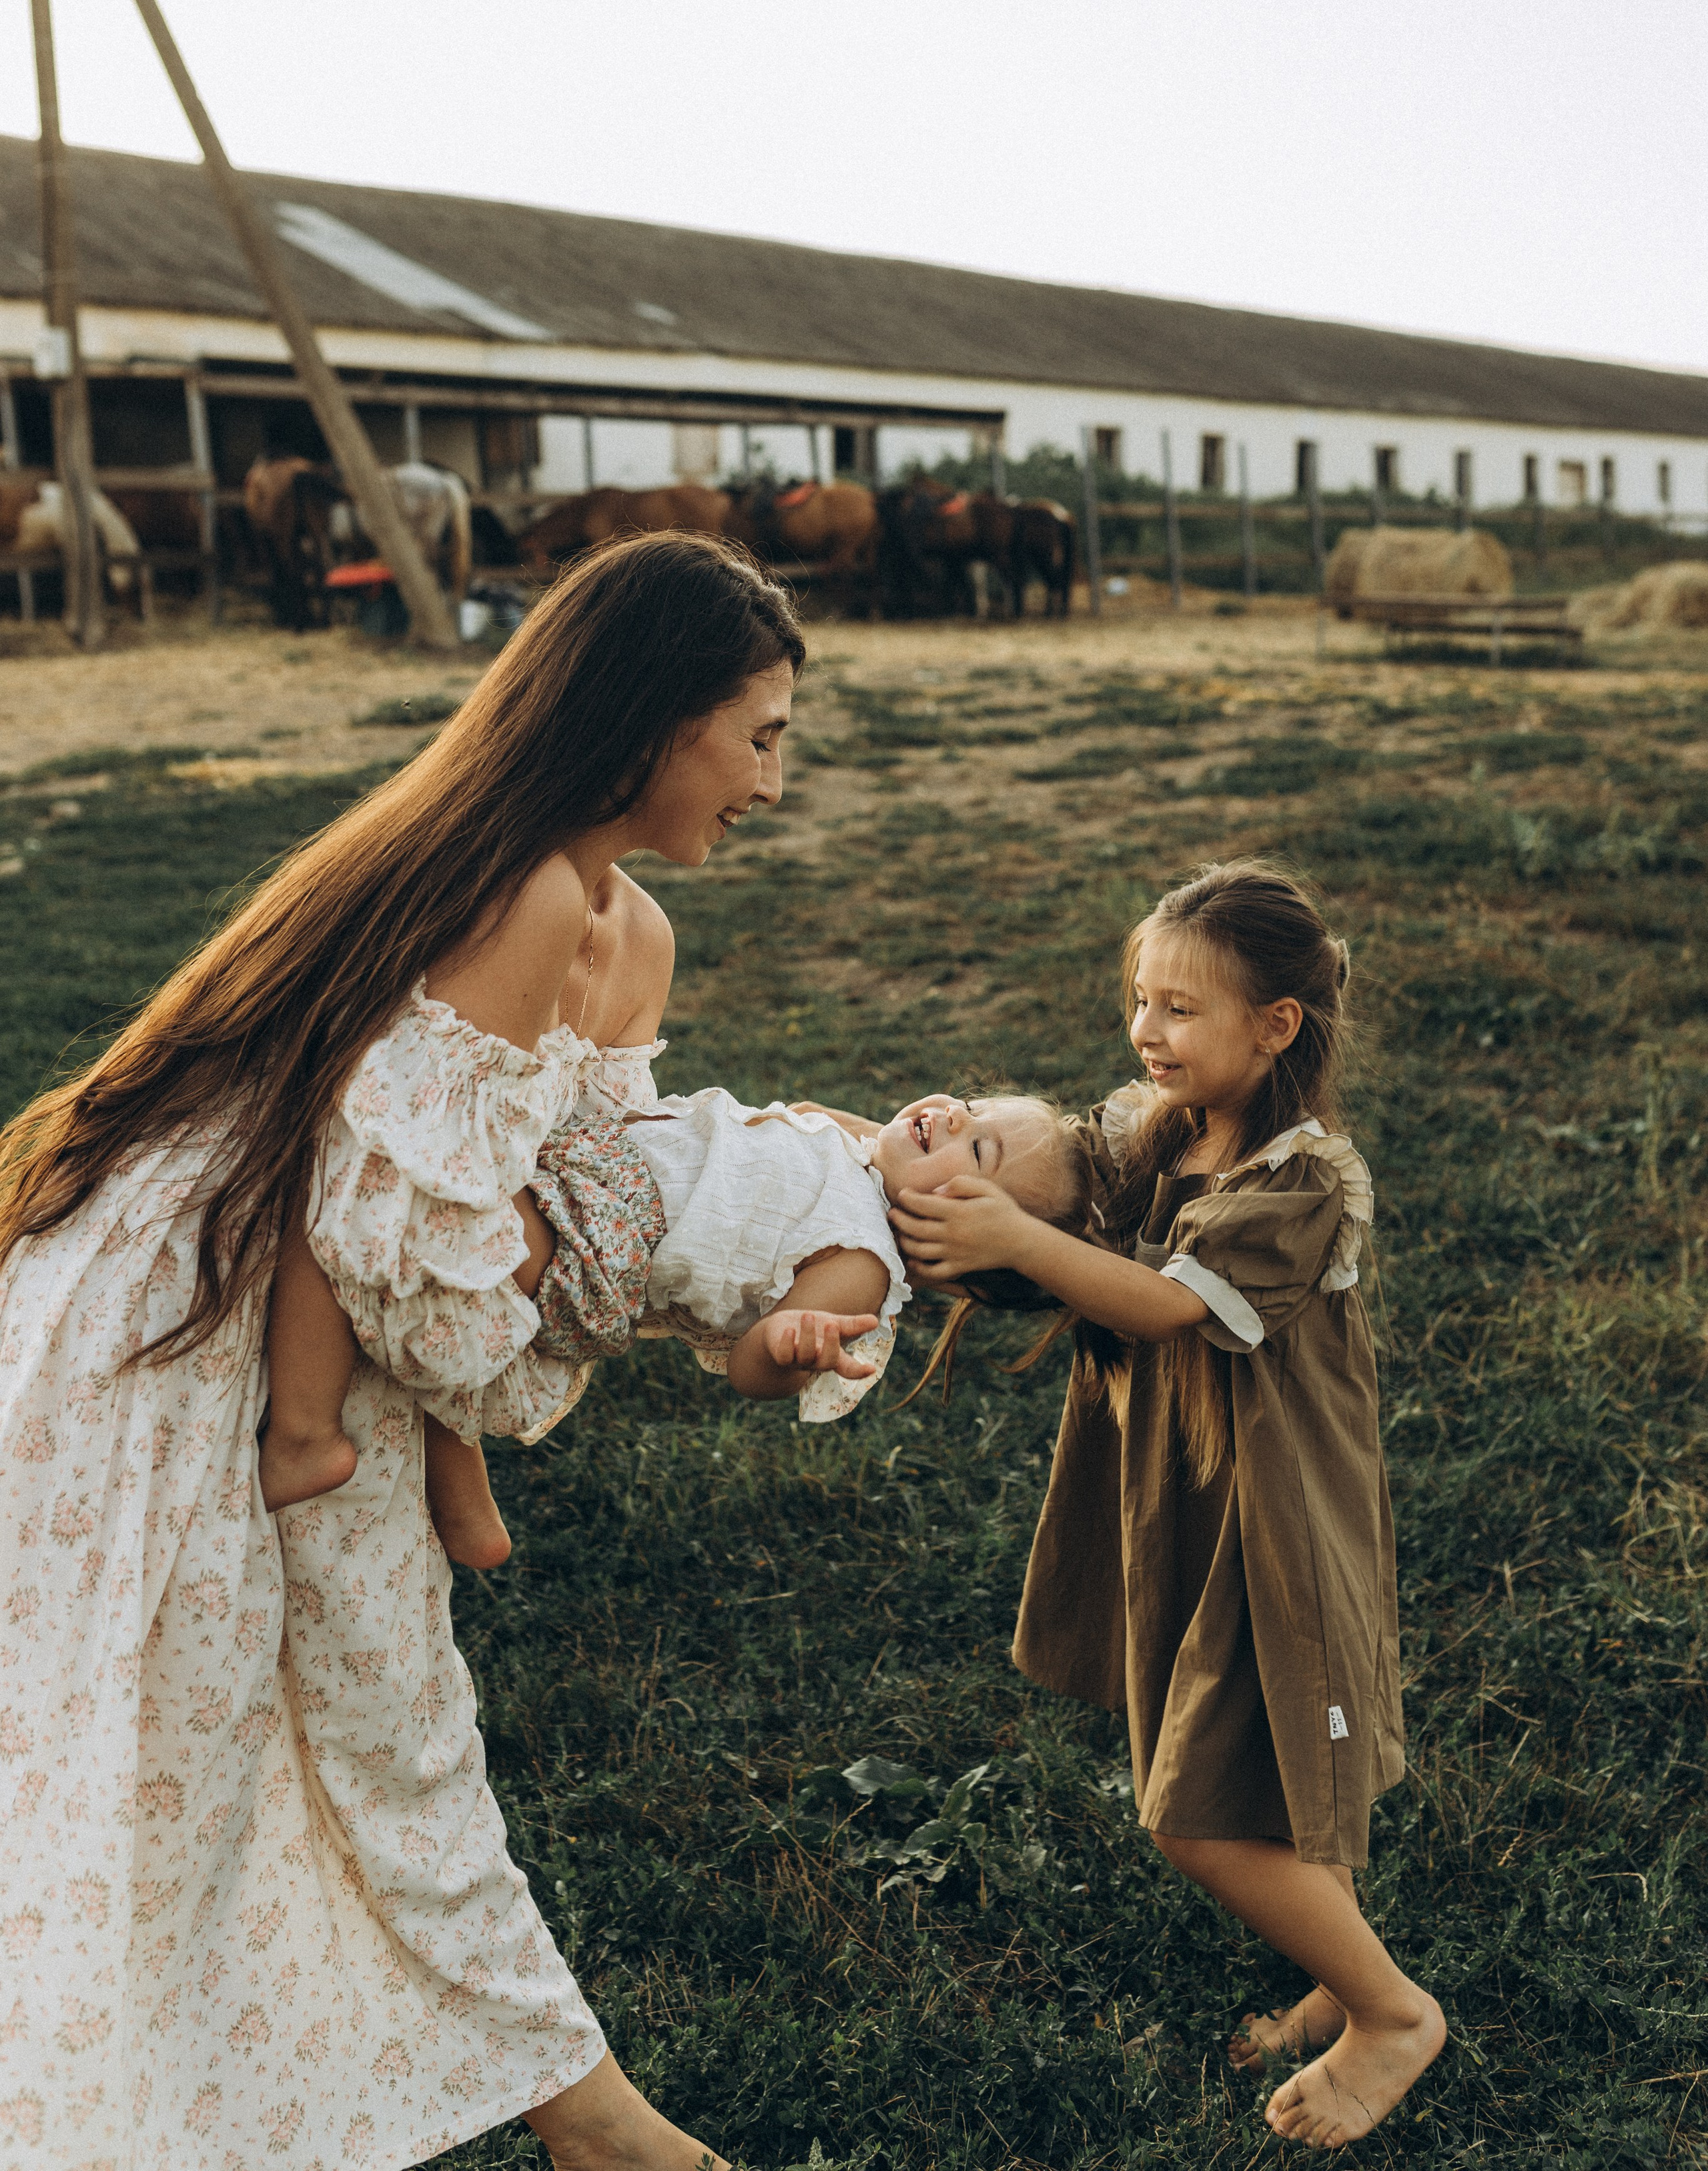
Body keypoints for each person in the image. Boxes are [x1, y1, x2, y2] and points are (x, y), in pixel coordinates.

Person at [0, 532, 811, 2171]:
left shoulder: (619, 923)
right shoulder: (510, 886)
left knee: (379, 1712)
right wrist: (529, 1346)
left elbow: (563, 1192)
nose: (773, 783)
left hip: (325, 1298)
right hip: (202, 1312)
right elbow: (402, 1230)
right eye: (763, 734)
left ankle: (580, 2113)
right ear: (657, 720)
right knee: (189, 1731)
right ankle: (114, 2098)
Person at [889, 862, 1444, 2151]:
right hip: (1190, 1504)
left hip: (1277, 1525)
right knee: (1269, 1760)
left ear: (1276, 1028)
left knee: (1196, 1812)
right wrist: (910, 1145)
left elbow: (1164, 1306)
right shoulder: (1163, 1126)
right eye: (1143, 1000)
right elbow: (1049, 1161)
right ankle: (1335, 1965)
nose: (1149, 1031)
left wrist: (1023, 1246)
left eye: (1182, 1010)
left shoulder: (1302, 1183)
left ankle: (1391, 2013)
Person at [266, 1088, 1091, 1569]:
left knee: (370, 1183)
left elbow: (750, 1369)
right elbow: (804, 1118)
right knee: (446, 1272)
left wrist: (785, 1346)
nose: (950, 1115)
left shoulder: (862, 1259)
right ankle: (466, 1511)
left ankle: (306, 1436)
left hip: (597, 1243)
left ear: (960, 1241)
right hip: (595, 1179)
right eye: (973, 1104)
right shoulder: (867, 1153)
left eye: (977, 1150)